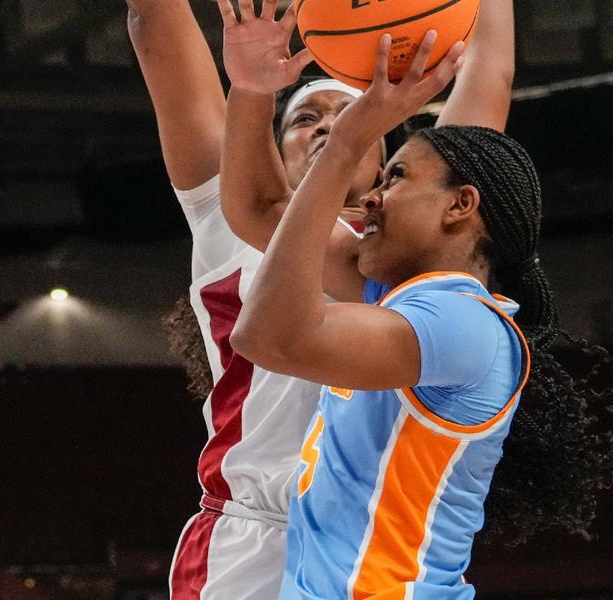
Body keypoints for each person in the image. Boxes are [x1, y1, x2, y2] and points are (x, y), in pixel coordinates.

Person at [127, 0, 515, 598]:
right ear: (269, 151)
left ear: (392, 163)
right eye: (305, 116)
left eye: (353, 113)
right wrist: (252, 89)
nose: (332, 126)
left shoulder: (419, 258)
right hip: (249, 534)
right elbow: (155, 19)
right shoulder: (229, 214)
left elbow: (487, 73)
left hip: (371, 541)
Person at [228, 34, 580, 598]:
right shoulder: (392, 292)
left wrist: (346, 144)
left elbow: (269, 336)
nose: (371, 198)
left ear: (460, 205)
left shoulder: (462, 325)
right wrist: (250, 90)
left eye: (394, 179)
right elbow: (258, 209)